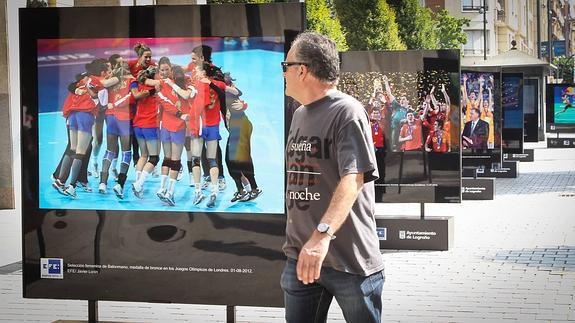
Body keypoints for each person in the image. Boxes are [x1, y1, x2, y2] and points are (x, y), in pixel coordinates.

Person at [281, 31, 384, 323]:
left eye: (285, 66)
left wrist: (321, 236)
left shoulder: (347, 112)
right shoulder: (300, 114)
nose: (284, 73)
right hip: (301, 257)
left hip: (349, 261)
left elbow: (353, 179)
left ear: (302, 70)